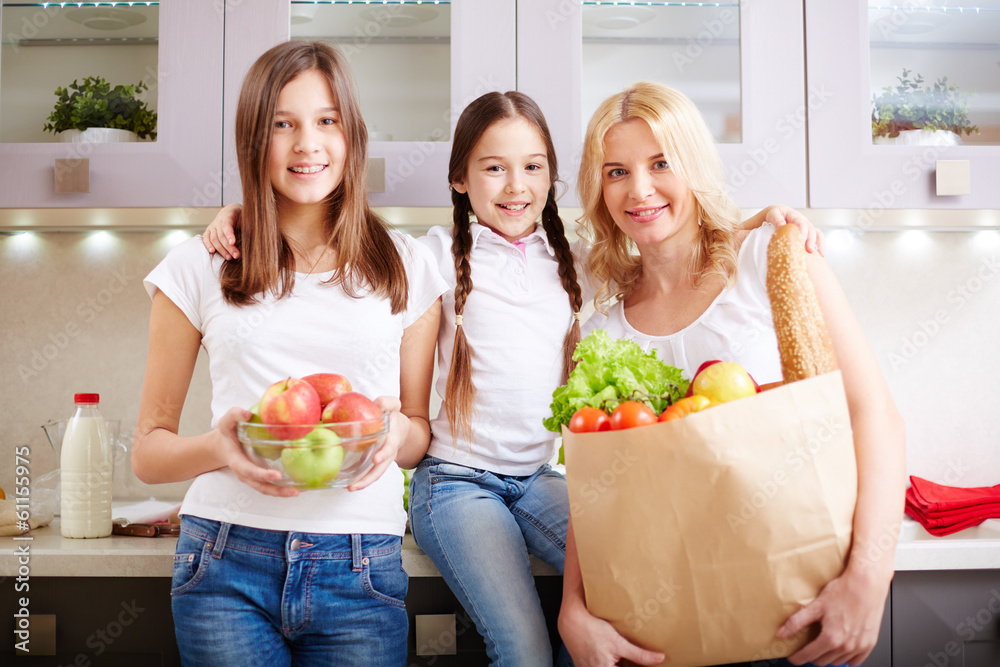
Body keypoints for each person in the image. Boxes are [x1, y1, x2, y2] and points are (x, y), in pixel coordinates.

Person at [200, 89, 823, 666]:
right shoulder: (429, 256)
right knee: (525, 649)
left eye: (533, 167)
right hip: (455, 487)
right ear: (459, 178)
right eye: (493, 167)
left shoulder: (580, 260)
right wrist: (243, 214)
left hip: (541, 478)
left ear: (551, 177)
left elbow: (671, 242)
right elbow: (332, 234)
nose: (515, 185)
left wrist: (758, 222)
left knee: (642, 591)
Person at [557, 81, 906, 667]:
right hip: (667, 630)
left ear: (693, 163)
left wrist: (869, 578)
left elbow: (872, 414)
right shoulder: (602, 335)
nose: (639, 190)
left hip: (797, 606)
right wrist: (574, 609)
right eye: (615, 172)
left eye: (661, 163)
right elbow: (596, 493)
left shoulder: (773, 258)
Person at [133, 40, 445, 667]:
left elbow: (418, 435)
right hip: (224, 562)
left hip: (360, 566)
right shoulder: (201, 265)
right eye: (283, 124)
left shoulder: (409, 267)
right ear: (255, 139)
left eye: (327, 121)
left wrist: (390, 434)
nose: (308, 145)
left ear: (351, 135)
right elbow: (148, 452)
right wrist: (218, 448)